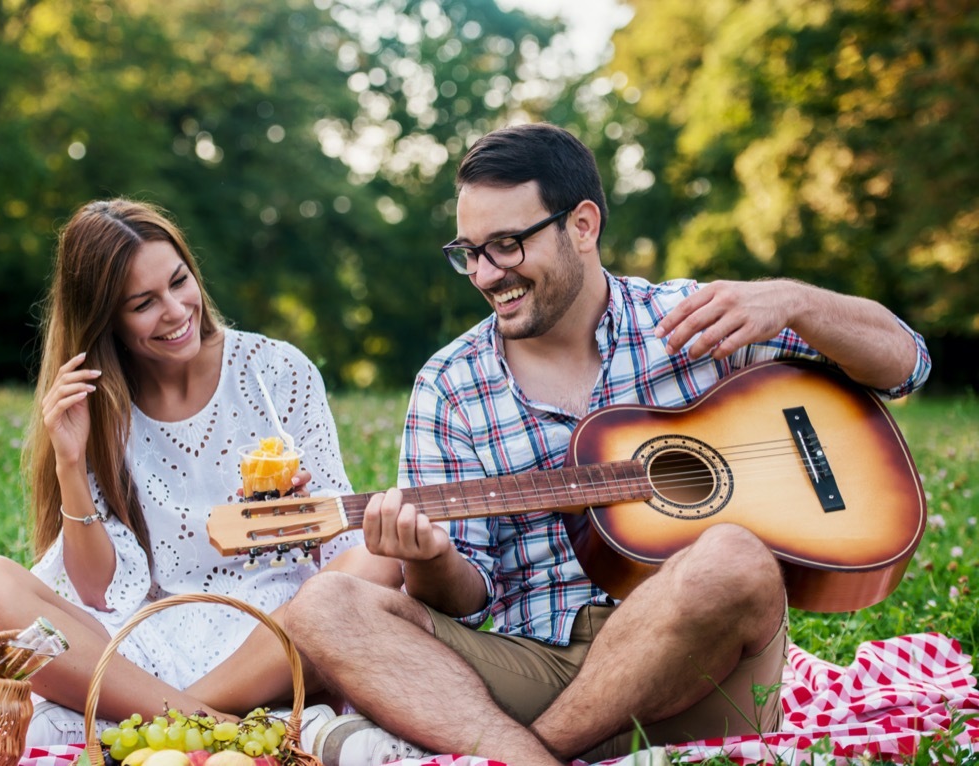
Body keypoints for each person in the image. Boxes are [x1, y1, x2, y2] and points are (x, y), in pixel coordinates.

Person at [283, 123, 932, 766]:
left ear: (584, 225)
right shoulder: (450, 384)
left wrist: (796, 303)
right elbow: (465, 597)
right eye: (468, 252)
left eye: (507, 245)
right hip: (528, 669)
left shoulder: (696, 318)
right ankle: (536, 756)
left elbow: (906, 365)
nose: (484, 274)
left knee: (732, 557)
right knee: (325, 605)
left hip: (698, 675)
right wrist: (425, 558)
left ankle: (518, 759)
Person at [0, 199, 400, 746]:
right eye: (143, 303)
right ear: (104, 318)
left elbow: (343, 552)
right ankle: (225, 728)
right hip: (140, 641)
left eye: (179, 281)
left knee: (382, 552)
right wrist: (70, 461)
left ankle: (172, 722)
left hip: (268, 637)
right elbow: (96, 592)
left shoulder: (277, 371)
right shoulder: (98, 406)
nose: (176, 310)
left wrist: (302, 523)